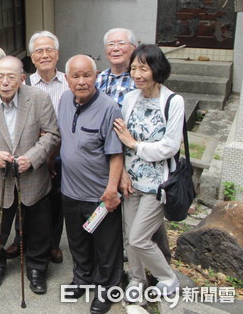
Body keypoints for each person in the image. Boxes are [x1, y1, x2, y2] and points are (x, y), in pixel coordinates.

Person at [0, 56, 60, 294]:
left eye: (11, 76)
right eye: (0, 76)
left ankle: (37, 269)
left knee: (38, 228)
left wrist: (33, 157)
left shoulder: (39, 99)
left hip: (33, 179)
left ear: (22, 78)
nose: (5, 82)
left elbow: (52, 134)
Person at [113, 45, 183, 302]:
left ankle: (167, 278)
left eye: (143, 68)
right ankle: (137, 280)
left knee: (139, 237)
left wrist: (135, 145)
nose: (137, 74)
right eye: (133, 68)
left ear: (157, 69)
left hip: (158, 184)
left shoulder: (173, 101)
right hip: (131, 181)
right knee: (129, 239)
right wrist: (122, 173)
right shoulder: (131, 98)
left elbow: (169, 146)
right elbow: (119, 139)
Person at [96, 28, 172, 262]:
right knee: (120, 220)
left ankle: (162, 269)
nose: (115, 48)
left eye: (121, 43)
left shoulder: (148, 85)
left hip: (146, 169)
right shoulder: (100, 79)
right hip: (111, 160)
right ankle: (125, 266)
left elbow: (164, 140)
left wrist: (130, 152)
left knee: (146, 226)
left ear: (133, 47)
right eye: (110, 44)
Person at [57, 55, 124, 314]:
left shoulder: (109, 108)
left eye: (87, 75)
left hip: (99, 195)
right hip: (70, 190)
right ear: (67, 79)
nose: (82, 81)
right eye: (76, 76)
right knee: (77, 241)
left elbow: (116, 153)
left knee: (106, 247)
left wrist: (111, 189)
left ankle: (107, 289)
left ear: (96, 77)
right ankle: (82, 279)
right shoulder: (64, 100)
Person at [7, 30, 69, 263]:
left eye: (49, 50)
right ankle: (19, 241)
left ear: (57, 54)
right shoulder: (24, 84)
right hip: (30, 153)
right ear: (31, 58)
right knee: (23, 199)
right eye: (39, 51)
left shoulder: (68, 82)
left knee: (54, 201)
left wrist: (54, 154)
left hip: (60, 154)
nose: (44, 55)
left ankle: (52, 244)